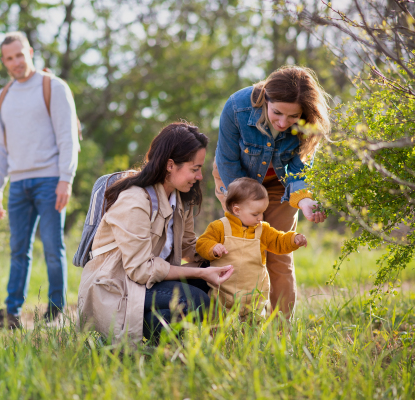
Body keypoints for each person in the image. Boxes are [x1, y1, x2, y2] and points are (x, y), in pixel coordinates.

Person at [77, 122, 234, 345]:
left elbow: (189, 245)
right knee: (196, 299)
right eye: (194, 169)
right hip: (119, 286)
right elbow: (140, 270)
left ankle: (162, 341)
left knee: (210, 279)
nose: (199, 177)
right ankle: (132, 338)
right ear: (170, 165)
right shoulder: (135, 201)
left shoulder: (180, 197)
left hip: (148, 283)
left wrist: (224, 251)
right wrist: (199, 274)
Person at [213, 65, 330, 318]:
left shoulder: (308, 124)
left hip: (280, 184)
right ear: (265, 97)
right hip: (235, 180)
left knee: (279, 252)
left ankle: (281, 329)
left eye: (292, 117)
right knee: (244, 248)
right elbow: (227, 162)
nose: (282, 122)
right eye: (277, 113)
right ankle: (240, 322)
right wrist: (245, 206)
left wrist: (305, 201)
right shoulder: (236, 107)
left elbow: (299, 171)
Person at [0, 32, 79, 330]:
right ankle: (11, 315)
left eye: (20, 55)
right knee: (18, 250)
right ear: (3, 61)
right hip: (19, 185)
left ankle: (56, 314)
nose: (15, 62)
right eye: (9, 58)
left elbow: (68, 136)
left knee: (52, 248)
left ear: (30, 52)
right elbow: (0, 145)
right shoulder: (4, 96)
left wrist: (66, 178)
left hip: (50, 180)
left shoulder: (53, 87)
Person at [196, 177, 307, 318]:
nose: (261, 217)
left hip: (254, 295)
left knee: (253, 326)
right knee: (218, 325)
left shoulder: (262, 230)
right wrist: (213, 248)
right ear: (237, 210)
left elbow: (278, 241)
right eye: (255, 214)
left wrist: (293, 239)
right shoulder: (219, 227)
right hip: (223, 293)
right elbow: (202, 243)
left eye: (262, 212)